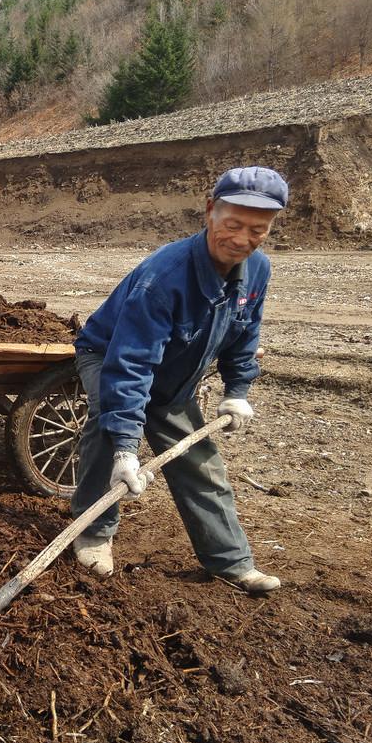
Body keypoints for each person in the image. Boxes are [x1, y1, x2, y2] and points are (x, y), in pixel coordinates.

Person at [69, 166, 289, 593]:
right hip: (109, 356)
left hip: (175, 374)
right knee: (106, 429)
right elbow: (130, 364)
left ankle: (230, 561)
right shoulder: (164, 278)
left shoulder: (257, 270)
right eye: (233, 225)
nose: (243, 240)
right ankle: (94, 533)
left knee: (200, 462)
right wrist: (126, 450)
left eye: (257, 230)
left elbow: (245, 333)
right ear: (210, 212)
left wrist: (237, 392)